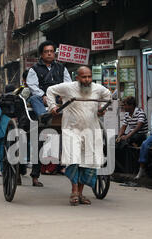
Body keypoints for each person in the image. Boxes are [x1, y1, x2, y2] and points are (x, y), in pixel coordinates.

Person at [47, 66, 111, 206]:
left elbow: (108, 96)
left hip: (90, 130)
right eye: (84, 77)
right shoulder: (68, 88)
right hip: (72, 129)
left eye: (89, 77)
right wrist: (52, 107)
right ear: (77, 78)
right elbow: (50, 90)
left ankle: (80, 193)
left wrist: (102, 110)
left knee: (86, 162)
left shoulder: (98, 89)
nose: (87, 80)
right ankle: (74, 191)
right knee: (73, 160)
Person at [27, 40, 72, 117]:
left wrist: (64, 95)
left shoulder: (62, 68)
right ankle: (44, 117)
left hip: (59, 97)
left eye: (51, 51)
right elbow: (32, 86)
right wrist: (43, 96)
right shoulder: (34, 69)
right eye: (46, 51)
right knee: (34, 98)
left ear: (54, 53)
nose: (49, 53)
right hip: (43, 98)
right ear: (41, 54)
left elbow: (68, 84)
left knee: (72, 98)